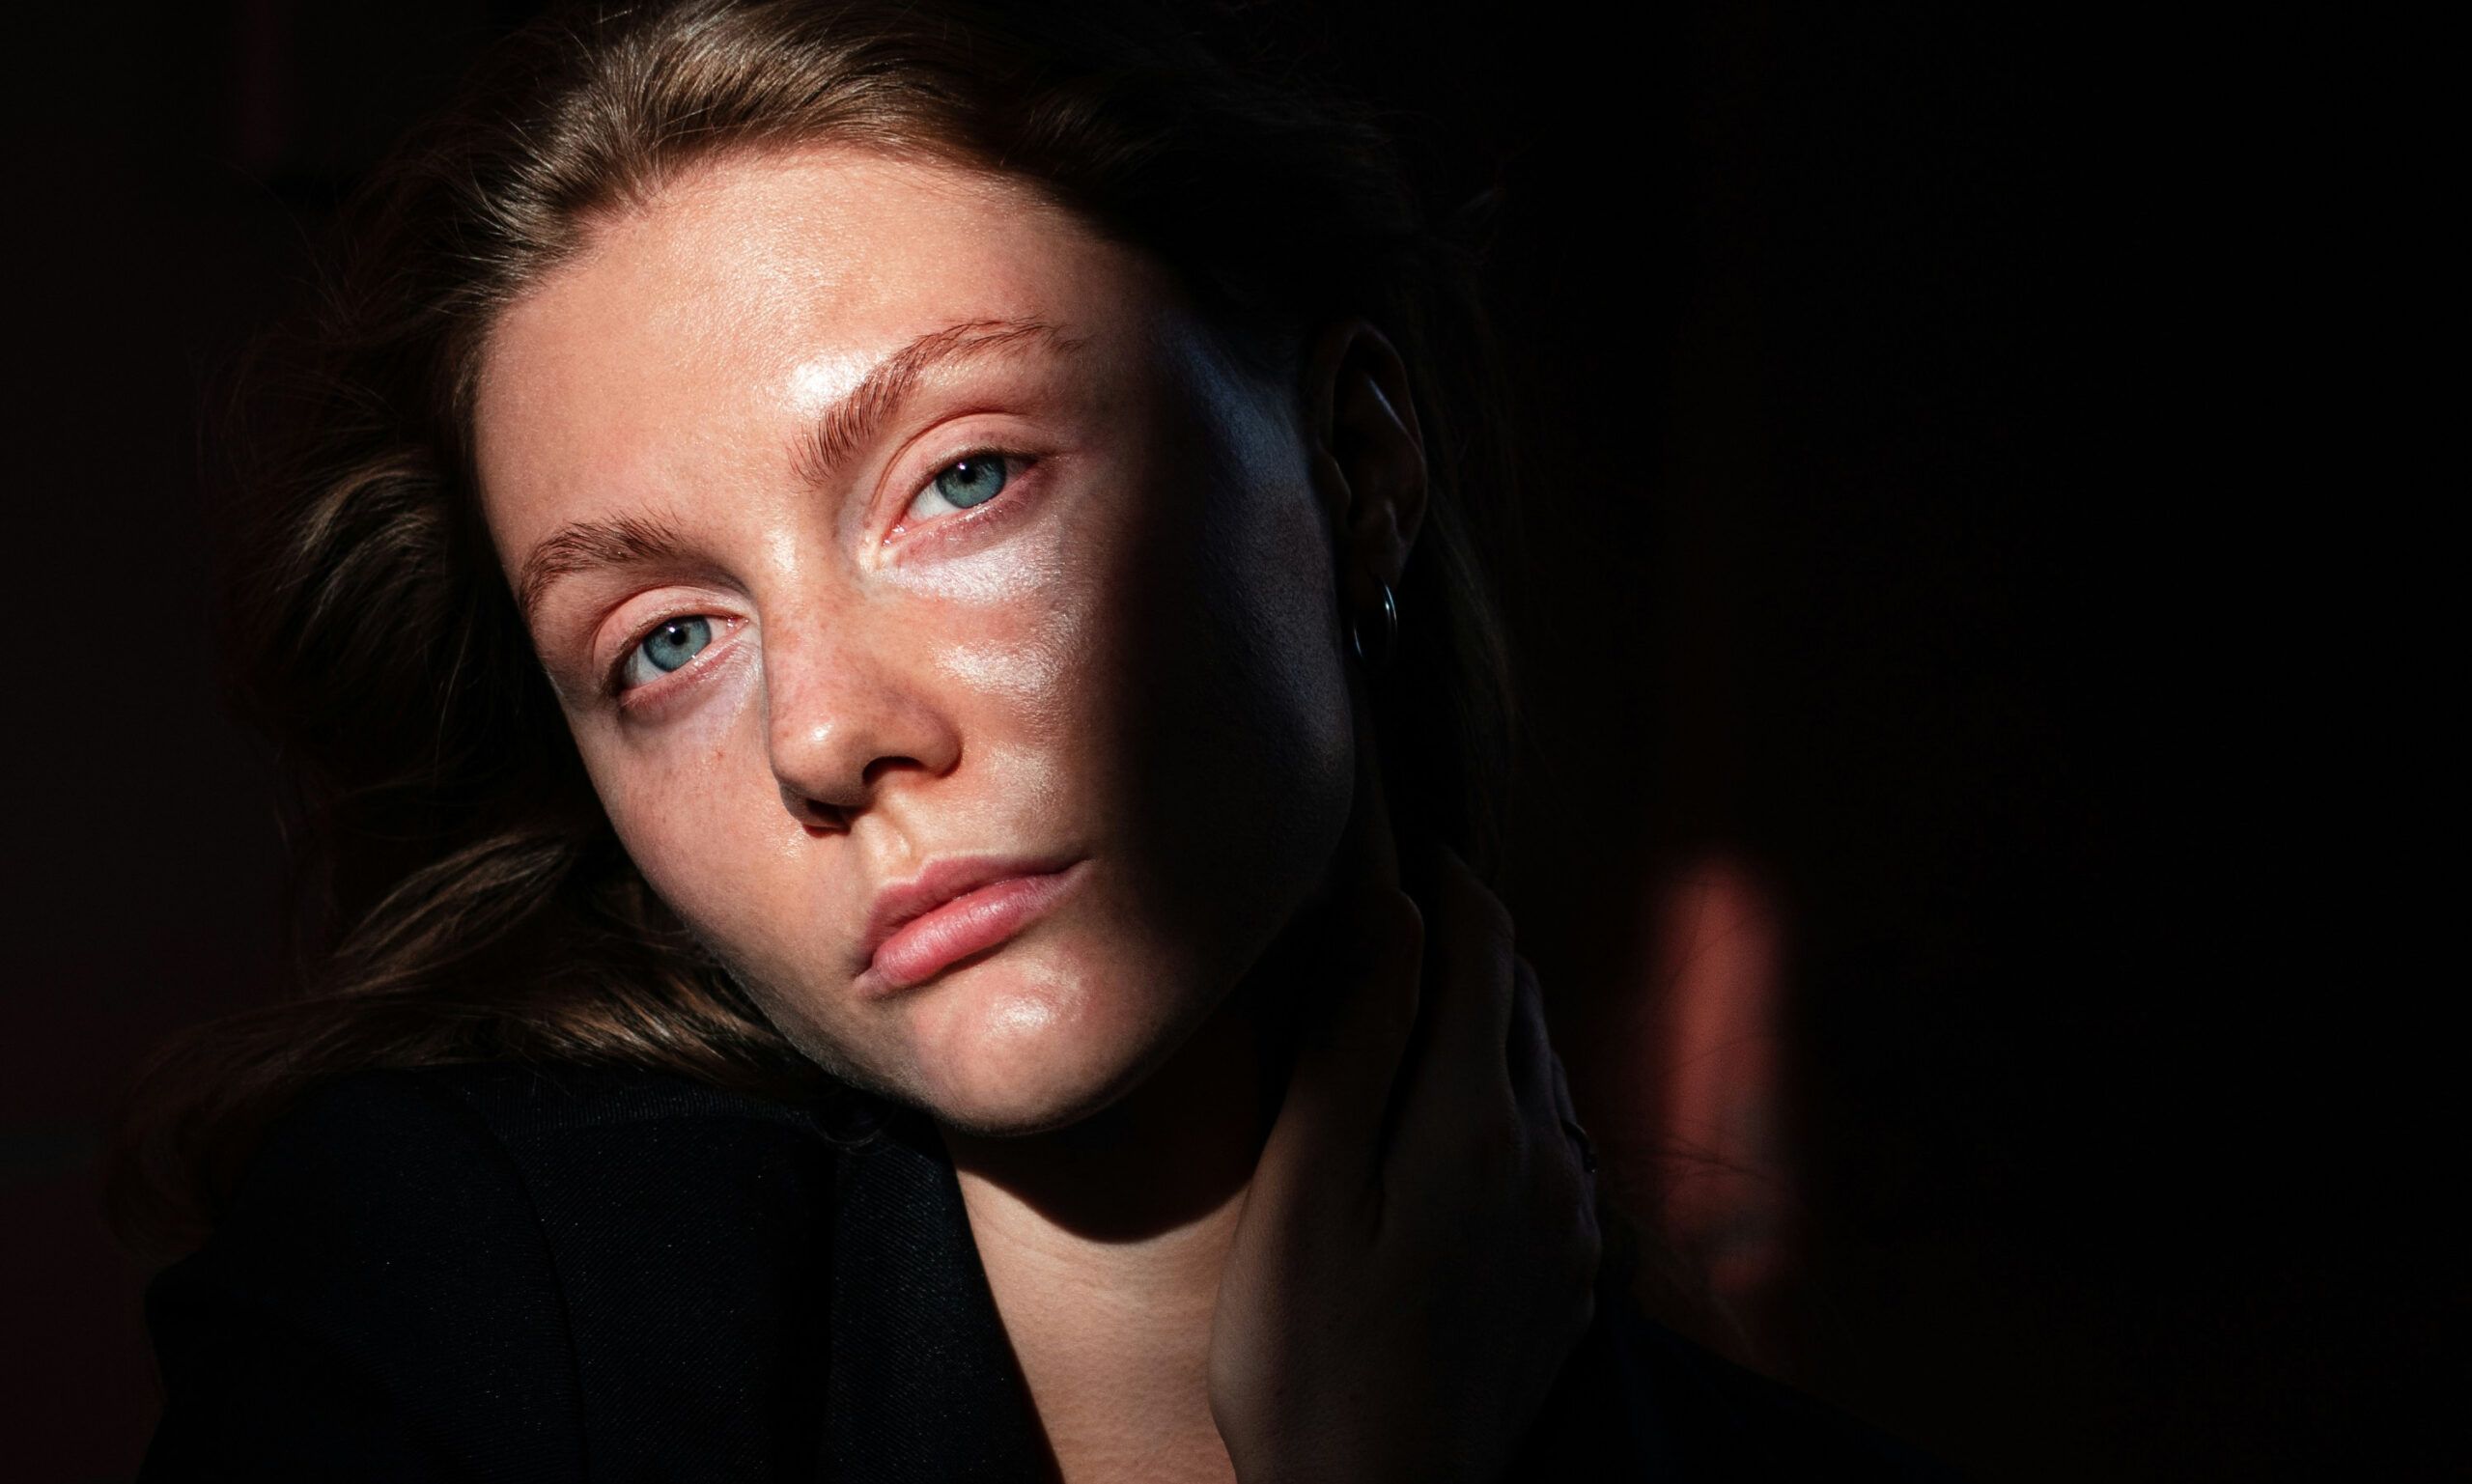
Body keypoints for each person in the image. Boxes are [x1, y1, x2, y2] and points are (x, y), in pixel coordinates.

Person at [117, 2, 1959, 1477]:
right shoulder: (442, 1323)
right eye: (670, 639)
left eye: (966, 479)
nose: (826, 732)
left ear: (1357, 463)